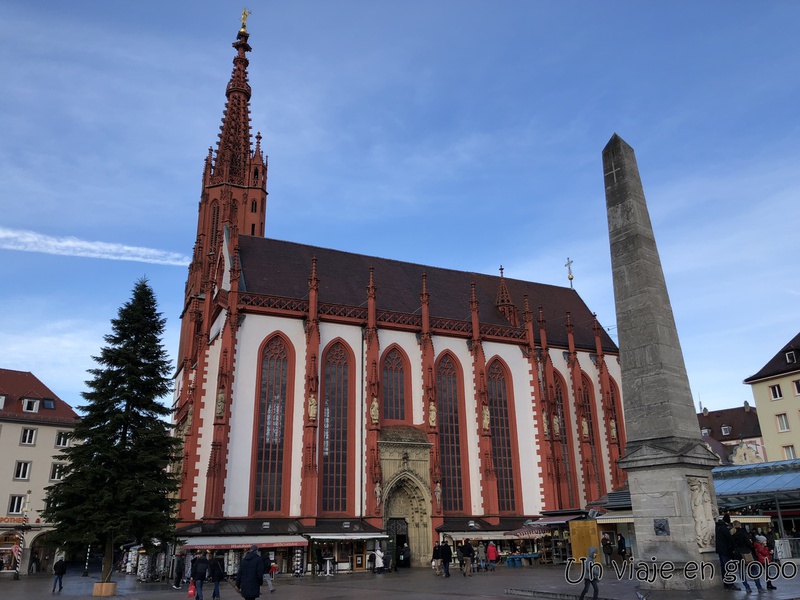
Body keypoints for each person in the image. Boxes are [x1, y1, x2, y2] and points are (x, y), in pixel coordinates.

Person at [732, 520, 763, 592]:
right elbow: (749, 543)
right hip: (746, 553)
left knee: (741, 571)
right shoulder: (743, 533)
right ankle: (759, 586)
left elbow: (731, 545)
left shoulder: (732, 534)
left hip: (738, 554)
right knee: (753, 569)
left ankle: (747, 587)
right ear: (740, 525)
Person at [715, 515, 740, 590]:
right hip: (726, 551)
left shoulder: (718, 527)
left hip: (720, 550)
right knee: (728, 567)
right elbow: (729, 539)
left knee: (723, 567)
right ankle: (730, 584)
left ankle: (726, 583)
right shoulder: (724, 528)